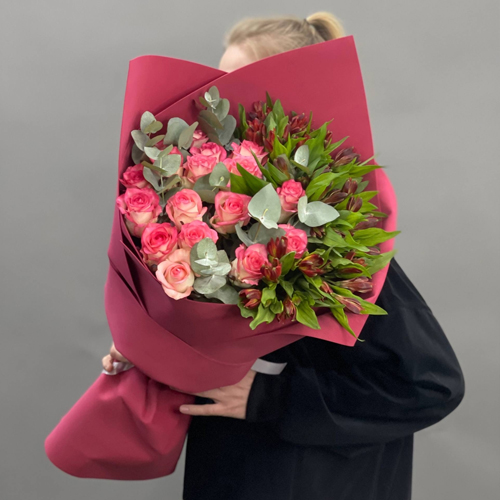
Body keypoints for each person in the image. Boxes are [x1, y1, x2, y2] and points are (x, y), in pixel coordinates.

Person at [102, 12, 466, 500]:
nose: (210, 102)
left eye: (230, 83)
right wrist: (150, 350)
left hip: (311, 480)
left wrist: (270, 398)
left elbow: (430, 384)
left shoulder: (335, 251)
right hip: (234, 467)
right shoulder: (215, 223)